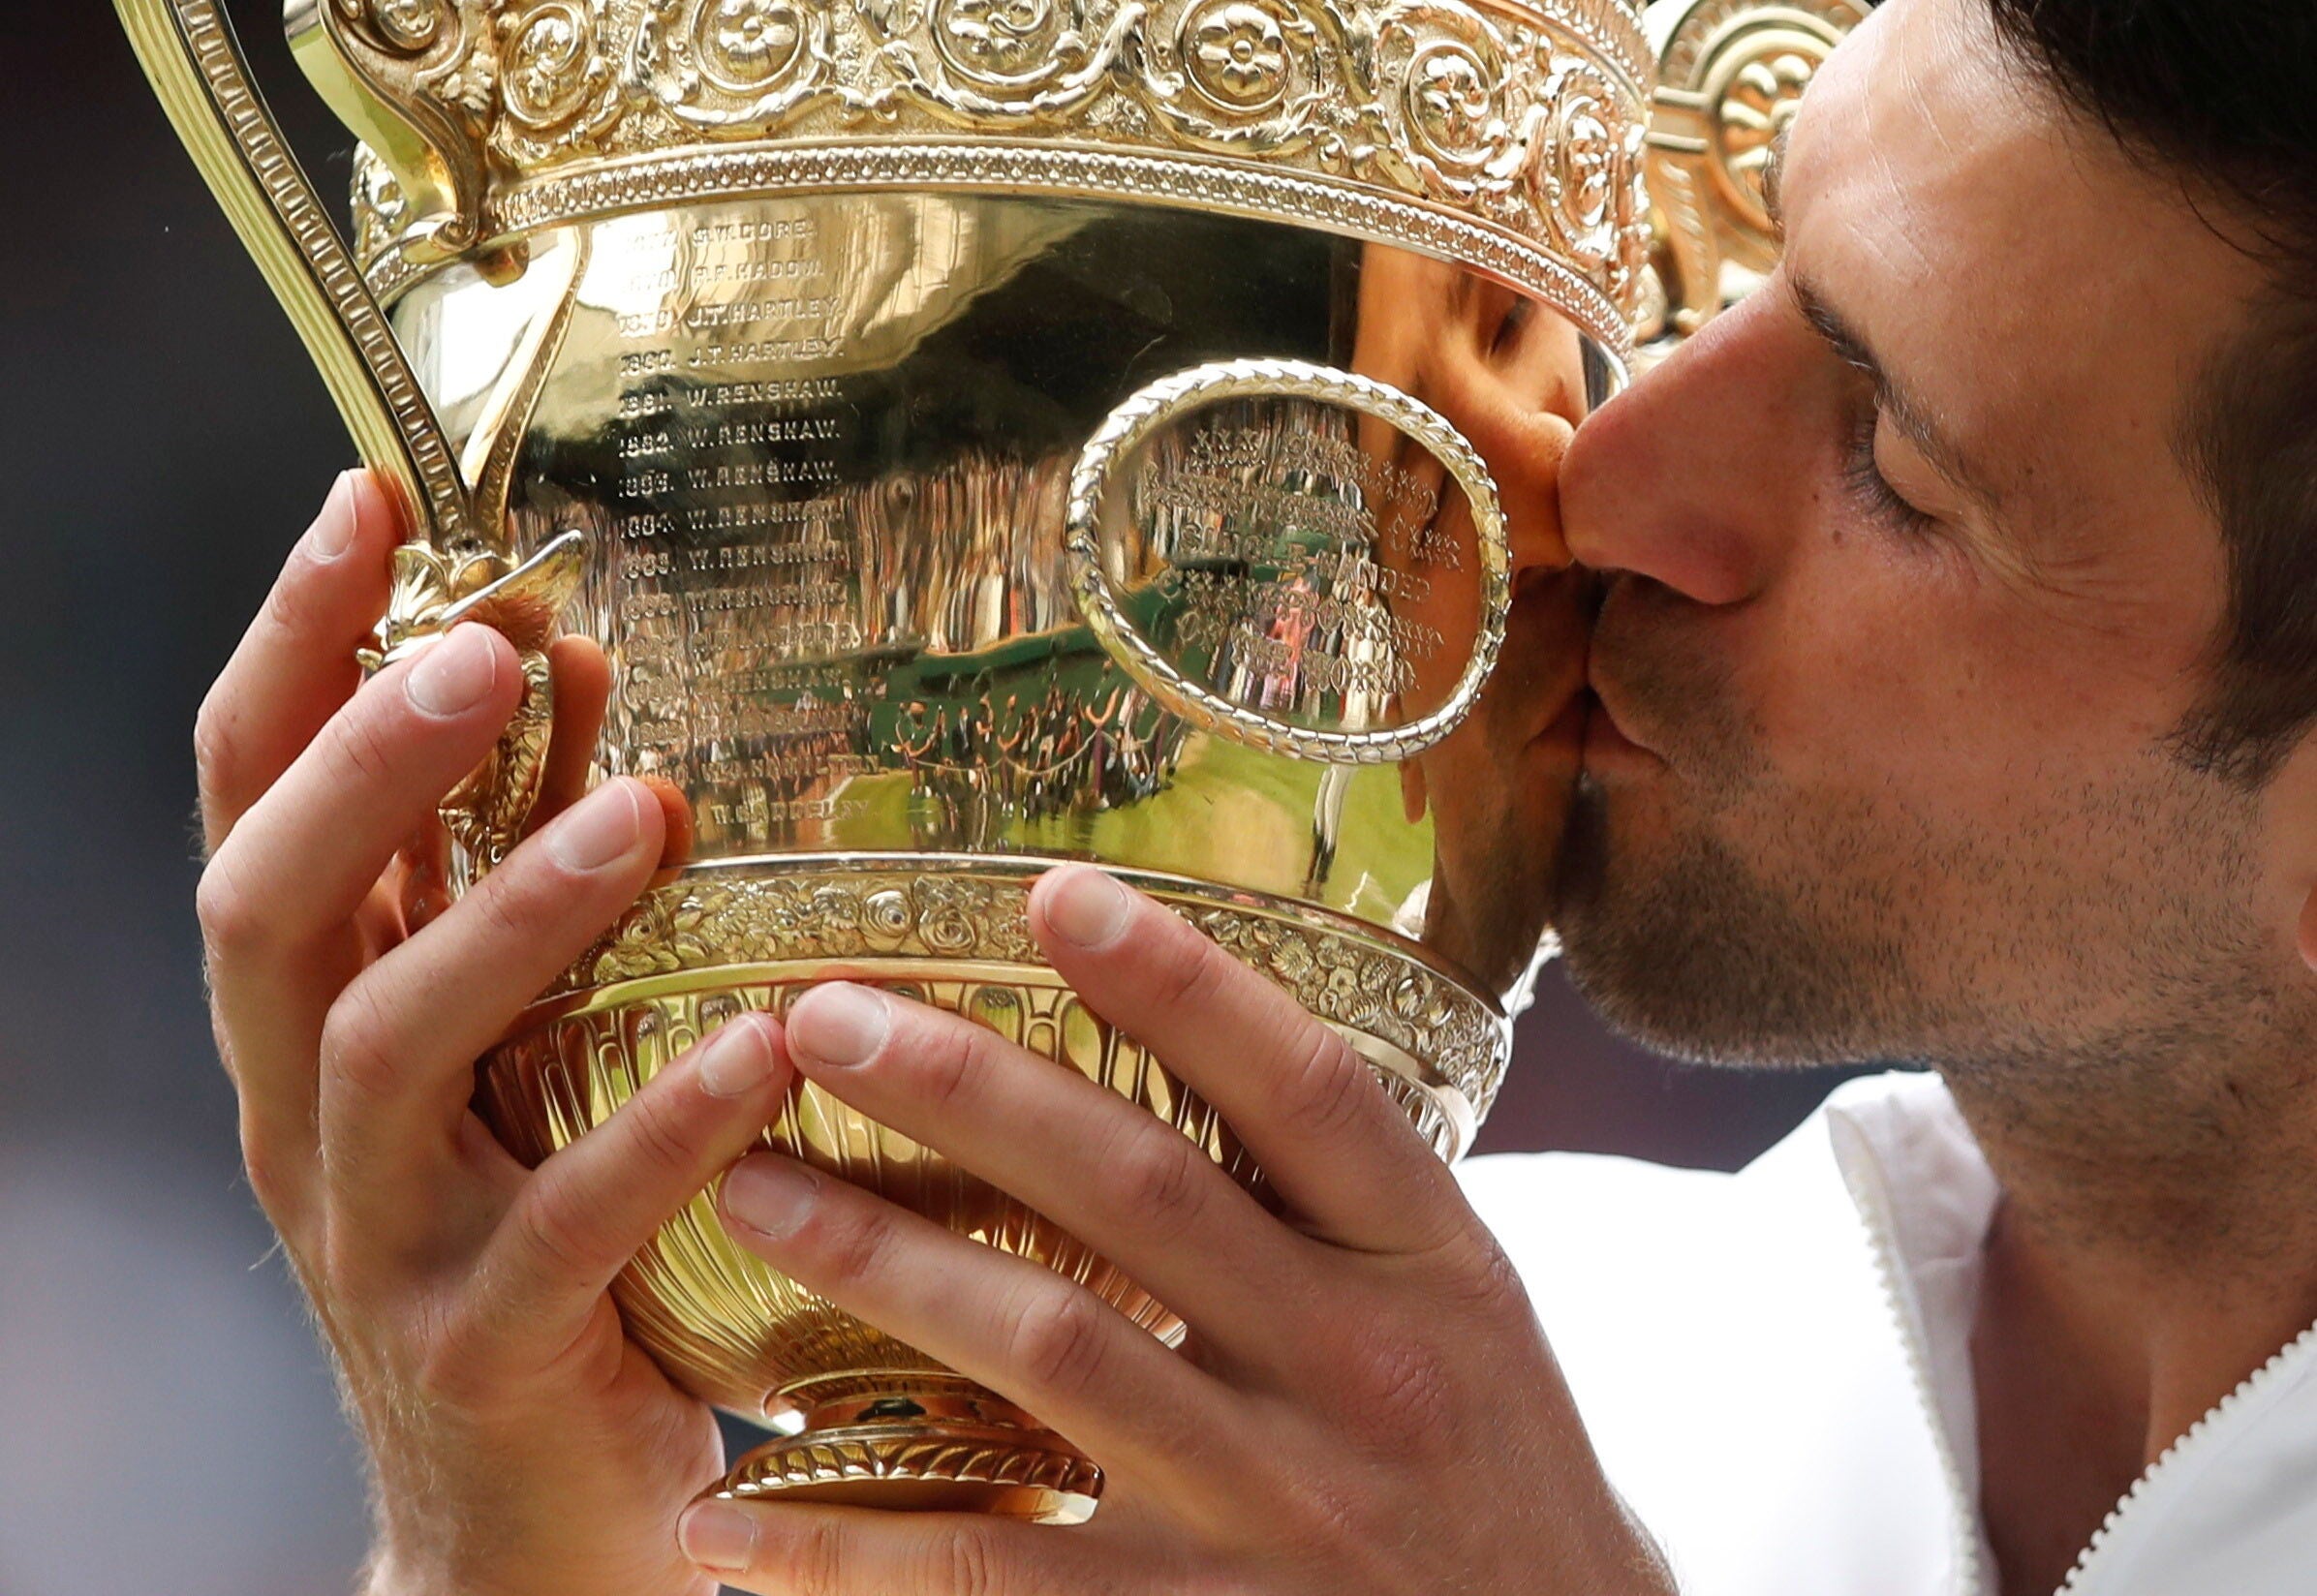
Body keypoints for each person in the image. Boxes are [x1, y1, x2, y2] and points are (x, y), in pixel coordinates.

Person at [189, 0, 2317, 1590]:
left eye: (1898, 469)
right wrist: (519, 1530)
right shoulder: (1415, 1399)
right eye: (1751, 269)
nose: (1606, 466)